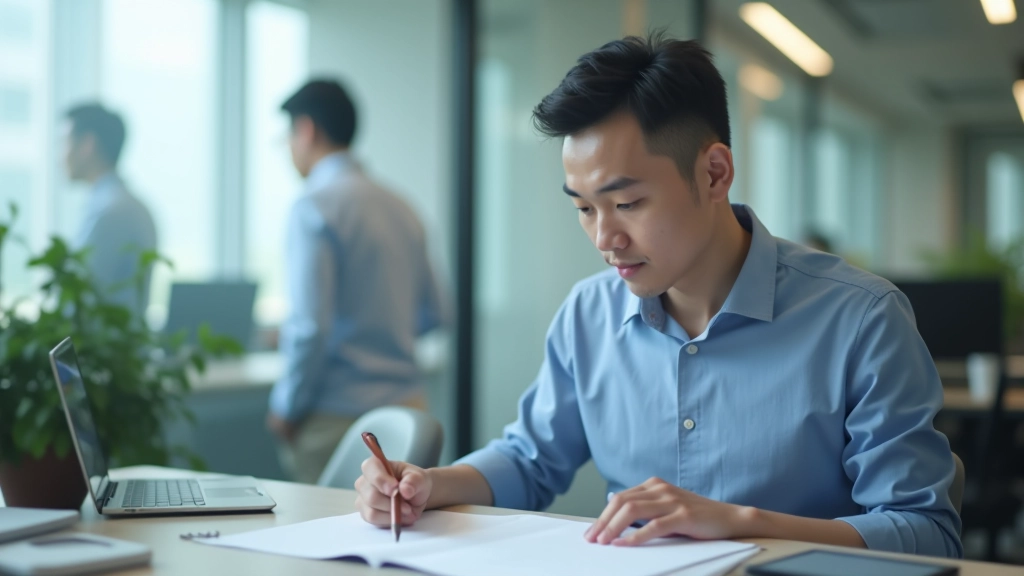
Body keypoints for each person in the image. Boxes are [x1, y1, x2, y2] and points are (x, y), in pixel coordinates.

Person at [354, 35, 962, 558]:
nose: (605, 237)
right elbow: (530, 458)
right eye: (585, 209)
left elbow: (926, 531)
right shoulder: (588, 315)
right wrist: (431, 485)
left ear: (715, 173)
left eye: (627, 204)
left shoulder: (860, 319)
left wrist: (739, 524)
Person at [267, 79, 445, 484]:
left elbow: (311, 327)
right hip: (408, 411)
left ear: (307, 130)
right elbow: (436, 313)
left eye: (288, 137)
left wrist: (285, 409)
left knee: (318, 543)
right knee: (397, 537)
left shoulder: (313, 205)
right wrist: (381, 329)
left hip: (338, 420)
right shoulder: (403, 206)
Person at [63, 103, 157, 317]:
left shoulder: (109, 213)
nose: (61, 155)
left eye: (65, 142)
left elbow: (78, 303)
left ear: (87, 145)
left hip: (102, 349)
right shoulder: (132, 205)